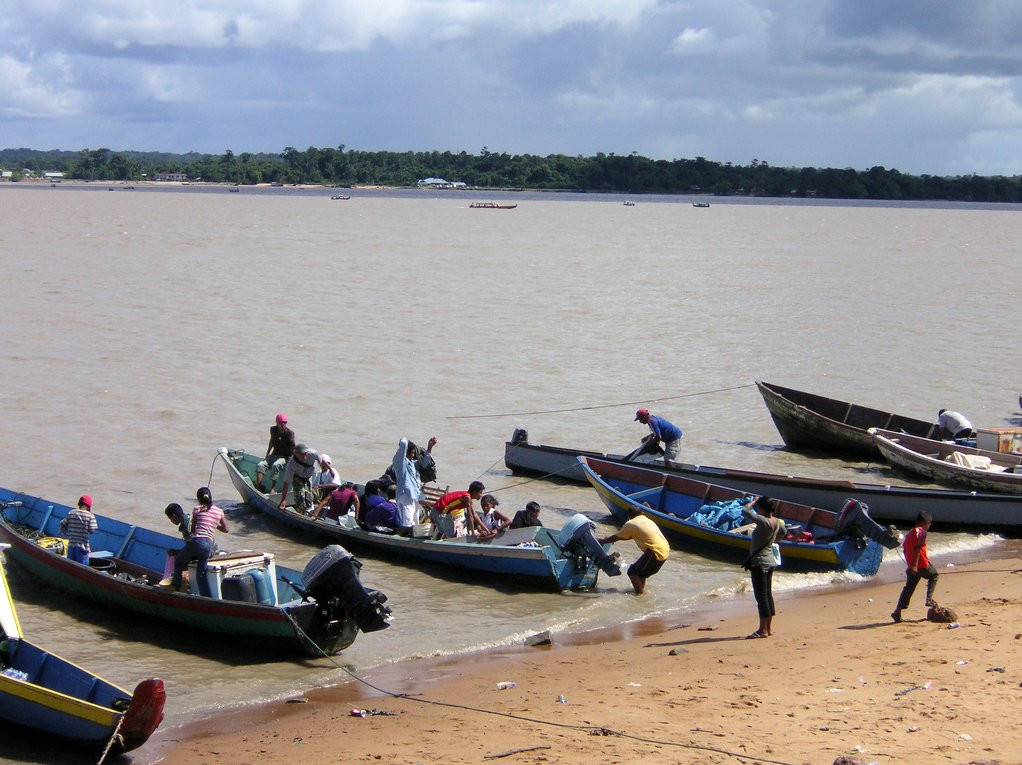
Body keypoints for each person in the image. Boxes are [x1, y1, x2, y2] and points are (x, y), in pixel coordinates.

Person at [599, 505, 670, 595]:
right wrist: (611, 539)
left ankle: (639, 595)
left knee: (632, 572)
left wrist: (603, 541)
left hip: (654, 551)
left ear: (629, 516)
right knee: (641, 573)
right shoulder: (647, 520)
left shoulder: (631, 523)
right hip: (665, 550)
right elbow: (629, 536)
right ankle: (641, 591)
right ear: (641, 513)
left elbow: (617, 537)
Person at [741, 496, 786, 638]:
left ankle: (762, 630)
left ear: (762, 508)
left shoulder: (763, 521)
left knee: (761, 597)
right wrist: (773, 541)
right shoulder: (777, 522)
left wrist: (753, 501)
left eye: (758, 507)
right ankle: (769, 628)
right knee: (767, 595)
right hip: (770, 561)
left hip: (760, 562)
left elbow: (745, 510)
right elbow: (784, 532)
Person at [171, 487, 228, 596]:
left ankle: (176, 588)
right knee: (201, 575)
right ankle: (206, 597)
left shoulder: (197, 509)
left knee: (179, 562)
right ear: (210, 497)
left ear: (198, 499)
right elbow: (226, 529)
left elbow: (193, 530)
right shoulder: (219, 511)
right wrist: (214, 524)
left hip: (197, 541)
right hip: (209, 545)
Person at [892, 511, 939, 623]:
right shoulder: (922, 533)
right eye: (929, 523)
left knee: (908, 589)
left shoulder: (910, 534)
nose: (929, 526)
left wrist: (911, 564)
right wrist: (915, 565)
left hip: (912, 566)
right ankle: (929, 599)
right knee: (934, 575)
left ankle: (897, 612)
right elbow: (918, 549)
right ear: (926, 523)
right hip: (920, 565)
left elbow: (905, 550)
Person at [390, 436, 437, 529]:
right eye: (411, 453)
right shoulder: (400, 462)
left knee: (415, 524)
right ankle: (401, 540)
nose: (413, 455)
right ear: (405, 452)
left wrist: (430, 447)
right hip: (404, 497)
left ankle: (413, 538)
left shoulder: (413, 464)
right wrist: (408, 442)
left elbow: (424, 463)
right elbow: (403, 443)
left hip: (414, 497)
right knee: (407, 525)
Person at [257, 413, 296, 493]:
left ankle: (273, 488)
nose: (283, 425)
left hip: (285, 457)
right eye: (281, 423)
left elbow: (293, 448)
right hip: (274, 454)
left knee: (276, 465)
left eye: (284, 423)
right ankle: (259, 486)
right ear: (276, 423)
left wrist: (293, 461)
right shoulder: (273, 430)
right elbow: (271, 441)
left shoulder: (290, 434)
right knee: (260, 465)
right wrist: (268, 453)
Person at [279, 443, 320, 514]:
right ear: (296, 454)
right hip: (297, 477)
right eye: (301, 454)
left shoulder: (313, 453)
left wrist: (330, 470)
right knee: (300, 498)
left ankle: (308, 512)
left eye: (305, 453)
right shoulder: (291, 464)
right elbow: (286, 482)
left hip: (308, 476)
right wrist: (283, 500)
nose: (304, 455)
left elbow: (322, 462)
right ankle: (299, 511)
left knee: (309, 498)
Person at [60, 495, 98, 565]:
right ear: (88, 506)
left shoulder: (71, 513)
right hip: (83, 546)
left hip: (71, 544)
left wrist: (65, 534)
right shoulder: (90, 516)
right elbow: (92, 530)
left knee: (70, 565)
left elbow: (62, 523)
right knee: (83, 566)